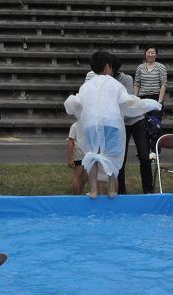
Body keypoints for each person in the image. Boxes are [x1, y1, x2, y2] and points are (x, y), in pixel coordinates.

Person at [64, 51, 160, 198]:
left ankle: (94, 190)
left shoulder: (86, 86)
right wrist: (150, 104)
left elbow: (75, 103)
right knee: (113, 157)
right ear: (109, 66)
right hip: (111, 123)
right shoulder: (115, 84)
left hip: (91, 124)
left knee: (93, 155)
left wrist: (72, 106)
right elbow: (129, 103)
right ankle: (112, 190)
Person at [111, 55, 153, 194]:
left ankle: (148, 190)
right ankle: (121, 192)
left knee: (144, 156)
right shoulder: (104, 81)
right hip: (120, 122)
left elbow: (125, 102)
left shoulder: (126, 79)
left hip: (136, 120)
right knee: (120, 159)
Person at [134, 46, 167, 152]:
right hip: (142, 99)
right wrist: (135, 99)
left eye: (153, 53)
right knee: (142, 125)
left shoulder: (161, 67)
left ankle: (155, 150)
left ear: (156, 55)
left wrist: (160, 101)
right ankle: (144, 149)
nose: (150, 55)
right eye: (148, 52)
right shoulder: (140, 68)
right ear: (145, 54)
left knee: (155, 125)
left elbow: (163, 84)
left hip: (156, 98)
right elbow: (137, 84)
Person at [67, 122, 87, 195]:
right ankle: (76, 195)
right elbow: (70, 142)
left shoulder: (90, 124)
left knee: (85, 176)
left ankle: (79, 193)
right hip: (78, 155)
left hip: (88, 155)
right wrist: (70, 158)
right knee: (78, 175)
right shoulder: (74, 126)